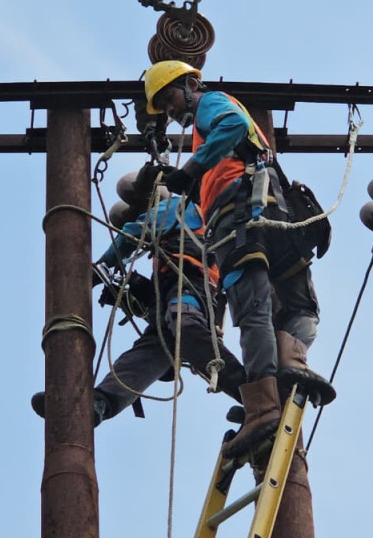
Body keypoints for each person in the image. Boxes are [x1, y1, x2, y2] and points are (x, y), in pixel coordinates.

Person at [143, 60, 336, 458]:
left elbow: (230, 125)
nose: (171, 111)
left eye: (170, 99)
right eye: (162, 108)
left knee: (252, 311)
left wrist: (191, 169)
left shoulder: (210, 105)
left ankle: (263, 407)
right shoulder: (216, 127)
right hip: (275, 215)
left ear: (191, 85)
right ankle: (290, 360)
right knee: (300, 304)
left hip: (240, 221)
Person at [32, 168, 246, 426]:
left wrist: (104, 266)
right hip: (177, 293)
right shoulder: (179, 234)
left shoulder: (177, 208)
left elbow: (138, 230)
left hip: (191, 286)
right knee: (152, 352)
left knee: (185, 328)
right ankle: (100, 401)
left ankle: (256, 396)